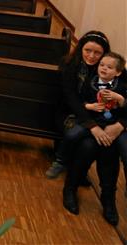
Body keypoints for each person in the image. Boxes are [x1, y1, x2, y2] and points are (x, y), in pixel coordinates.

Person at [62, 51, 125, 226]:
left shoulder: (121, 83)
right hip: (88, 123)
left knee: (109, 149)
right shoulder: (86, 80)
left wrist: (119, 123)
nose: (103, 68)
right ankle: (70, 188)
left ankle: (108, 198)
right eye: (101, 65)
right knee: (87, 146)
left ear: (117, 71)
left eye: (109, 66)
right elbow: (76, 104)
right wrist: (93, 125)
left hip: (111, 127)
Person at [46, 31, 111, 179]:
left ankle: (77, 172)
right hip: (69, 111)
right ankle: (63, 164)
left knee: (89, 144)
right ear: (80, 48)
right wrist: (92, 125)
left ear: (104, 53)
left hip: (97, 114)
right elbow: (70, 97)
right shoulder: (69, 64)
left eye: (97, 53)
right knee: (82, 136)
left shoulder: (107, 67)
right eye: (87, 50)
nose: (91, 56)